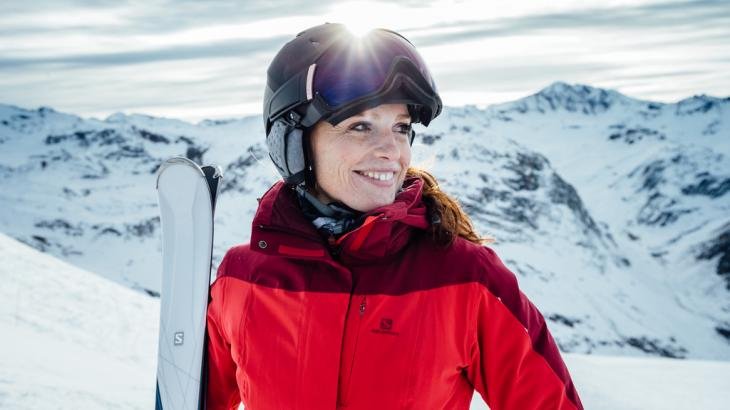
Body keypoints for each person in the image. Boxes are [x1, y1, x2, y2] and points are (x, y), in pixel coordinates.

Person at [205, 23, 583, 410]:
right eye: (360, 126)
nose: (391, 150)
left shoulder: (466, 278)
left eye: (401, 128)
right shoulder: (242, 279)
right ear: (293, 143)